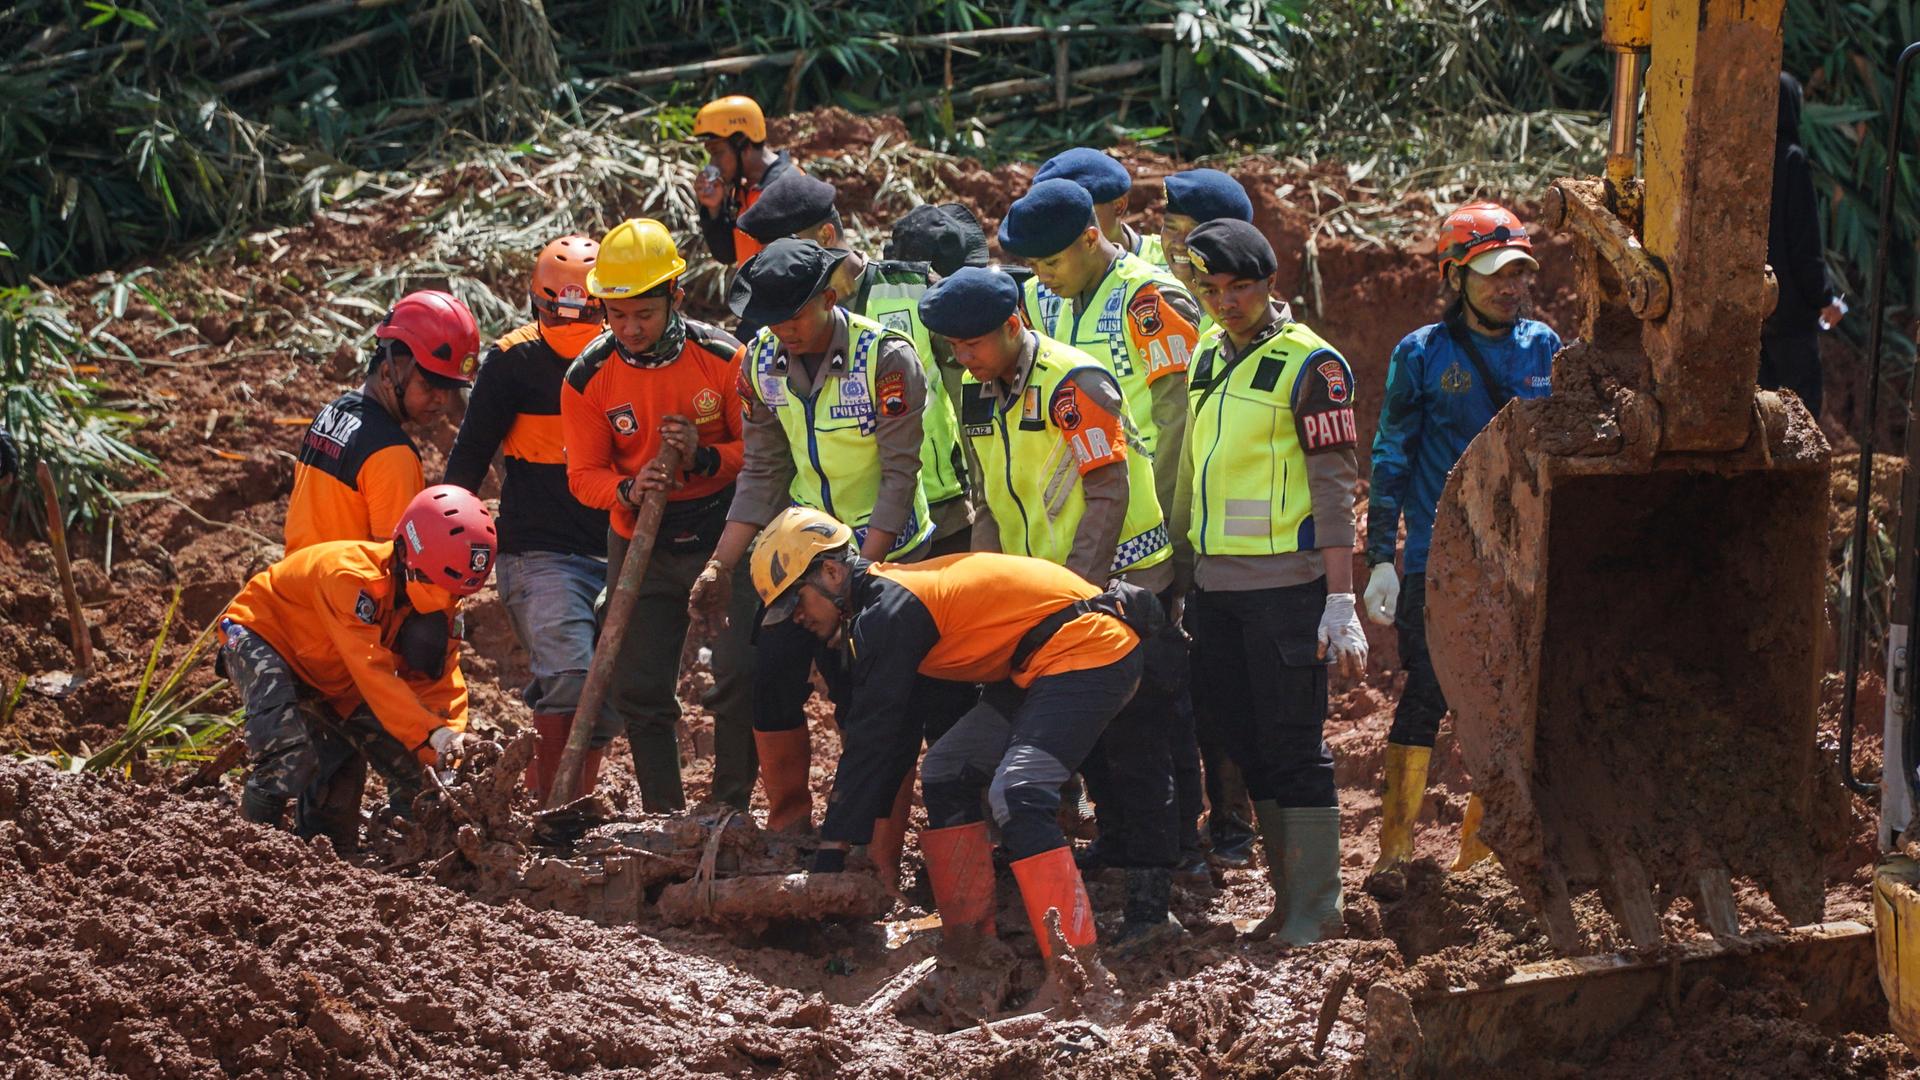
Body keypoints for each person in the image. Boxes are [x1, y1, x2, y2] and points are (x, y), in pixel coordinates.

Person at [748, 506, 1152, 961]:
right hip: (1036, 663)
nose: (796, 618)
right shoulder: (882, 608)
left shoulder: (890, 612)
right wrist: (839, 848)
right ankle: (971, 941)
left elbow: (873, 737)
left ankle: (1076, 966)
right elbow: (888, 738)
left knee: (1018, 792)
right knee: (945, 769)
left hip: (1088, 647)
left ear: (831, 572)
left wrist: (830, 854)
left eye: (797, 602)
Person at [921, 266, 1183, 947]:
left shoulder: (1074, 384)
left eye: (974, 344)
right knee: (1083, 743)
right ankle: (1114, 853)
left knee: (1137, 746)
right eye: (954, 347)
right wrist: (990, 593)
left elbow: (1108, 492)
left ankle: (1153, 900)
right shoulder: (977, 395)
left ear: (1013, 325)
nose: (964, 358)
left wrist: (1074, 600)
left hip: (1116, 588)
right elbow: (987, 506)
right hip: (1041, 607)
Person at [688, 238, 936, 872]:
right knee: (771, 677)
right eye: (772, 319)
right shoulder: (758, 362)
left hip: (886, 553)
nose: (785, 330)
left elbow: (900, 476)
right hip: (802, 557)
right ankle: (790, 828)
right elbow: (763, 470)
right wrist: (720, 562)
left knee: (869, 704)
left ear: (830, 296)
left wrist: (861, 574)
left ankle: (876, 855)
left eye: (795, 315)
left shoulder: (887, 361)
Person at [1173, 219, 1368, 945]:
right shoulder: (1205, 355)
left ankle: (1317, 909)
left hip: (1288, 589)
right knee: (1242, 738)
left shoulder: (1313, 366)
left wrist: (1340, 598)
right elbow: (1193, 470)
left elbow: (1335, 487)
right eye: (1212, 290)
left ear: (1270, 284)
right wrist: (1185, 575)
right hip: (1217, 590)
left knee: (1293, 744)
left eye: (1241, 288)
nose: (1226, 303)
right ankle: (1288, 904)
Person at [1363, 202, 1560, 897]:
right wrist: (1380, 556)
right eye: (1494, 273)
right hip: (1437, 562)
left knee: (1508, 708)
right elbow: (1391, 455)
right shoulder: (1421, 354)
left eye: (1519, 273)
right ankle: (1394, 852)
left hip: (1521, 566)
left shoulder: (1545, 348)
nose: (1511, 286)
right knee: (1427, 694)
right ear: (1454, 276)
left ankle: (1482, 858)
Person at [556, 219, 760, 814]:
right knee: (638, 686)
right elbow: (582, 476)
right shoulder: (588, 378)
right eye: (616, 315)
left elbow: (761, 455)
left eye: (643, 313)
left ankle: (729, 809)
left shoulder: (723, 358)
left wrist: (704, 458)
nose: (629, 328)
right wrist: (628, 488)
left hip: (723, 534)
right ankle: (664, 815)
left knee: (740, 672)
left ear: (676, 295)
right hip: (640, 539)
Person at [220, 485, 495, 851]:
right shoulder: (348, 577)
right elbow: (372, 673)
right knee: (288, 755)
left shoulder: (442, 600)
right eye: (439, 586)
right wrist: (430, 732)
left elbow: (440, 681)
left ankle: (354, 859)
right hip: (264, 637)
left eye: (457, 593)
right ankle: (245, 849)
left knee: (407, 769)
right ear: (405, 554)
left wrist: (446, 744)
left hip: (335, 670)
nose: (447, 600)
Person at [444, 235, 614, 802]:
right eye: (557, 315)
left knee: (607, 696)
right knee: (570, 678)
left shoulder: (625, 358)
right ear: (538, 307)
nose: (569, 328)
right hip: (539, 554)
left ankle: (566, 801)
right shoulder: (512, 362)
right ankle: (555, 809)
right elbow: (468, 459)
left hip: (615, 549)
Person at [738, 172, 974, 553]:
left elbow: (969, 400)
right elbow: (774, 447)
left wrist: (988, 501)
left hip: (939, 510)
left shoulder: (917, 291)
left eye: (783, 248)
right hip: (831, 533)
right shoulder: (776, 330)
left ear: (825, 236)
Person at [284, 290, 479, 553]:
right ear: (388, 374)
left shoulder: (331, 413)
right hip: (345, 581)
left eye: (448, 388)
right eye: (429, 385)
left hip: (297, 576)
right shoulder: (392, 454)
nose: (441, 399)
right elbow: (395, 562)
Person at [1761, 71, 1844, 418]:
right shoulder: (1791, 160)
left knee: (1759, 415)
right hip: (1790, 314)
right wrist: (1825, 298)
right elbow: (1803, 242)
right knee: (1802, 416)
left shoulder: (1748, 159)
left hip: (1753, 312)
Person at [691, 94, 797, 272]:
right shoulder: (744, 190)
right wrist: (714, 209)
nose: (712, 164)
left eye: (717, 153)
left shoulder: (786, 189)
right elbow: (728, 254)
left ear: (744, 145)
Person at [1033, 148, 1165, 269]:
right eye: (1055, 219)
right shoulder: (1044, 282)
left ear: (1119, 206)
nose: (1066, 228)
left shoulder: (1168, 260)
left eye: (1081, 214)